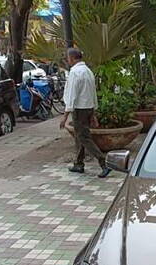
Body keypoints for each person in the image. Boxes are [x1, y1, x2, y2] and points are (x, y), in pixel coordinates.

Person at [60, 48, 110, 178]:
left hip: (79, 109)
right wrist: (93, 113)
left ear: (72, 58)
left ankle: (103, 162)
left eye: (68, 58)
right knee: (80, 136)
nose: (67, 60)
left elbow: (71, 96)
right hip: (88, 108)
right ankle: (79, 163)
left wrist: (65, 116)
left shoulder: (75, 72)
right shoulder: (88, 71)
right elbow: (92, 94)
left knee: (84, 137)